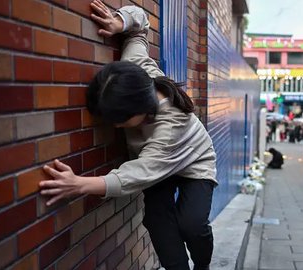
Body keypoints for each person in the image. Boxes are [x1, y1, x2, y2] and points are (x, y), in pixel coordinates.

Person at [39, 2, 216, 269]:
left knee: (191, 224)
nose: (117, 126)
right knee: (158, 222)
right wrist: (119, 22)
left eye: (120, 121)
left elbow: (139, 172)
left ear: (141, 110)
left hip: (193, 159)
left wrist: (80, 184)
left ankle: (202, 265)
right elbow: (140, 25)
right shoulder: (134, 66)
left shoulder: (170, 126)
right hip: (156, 161)